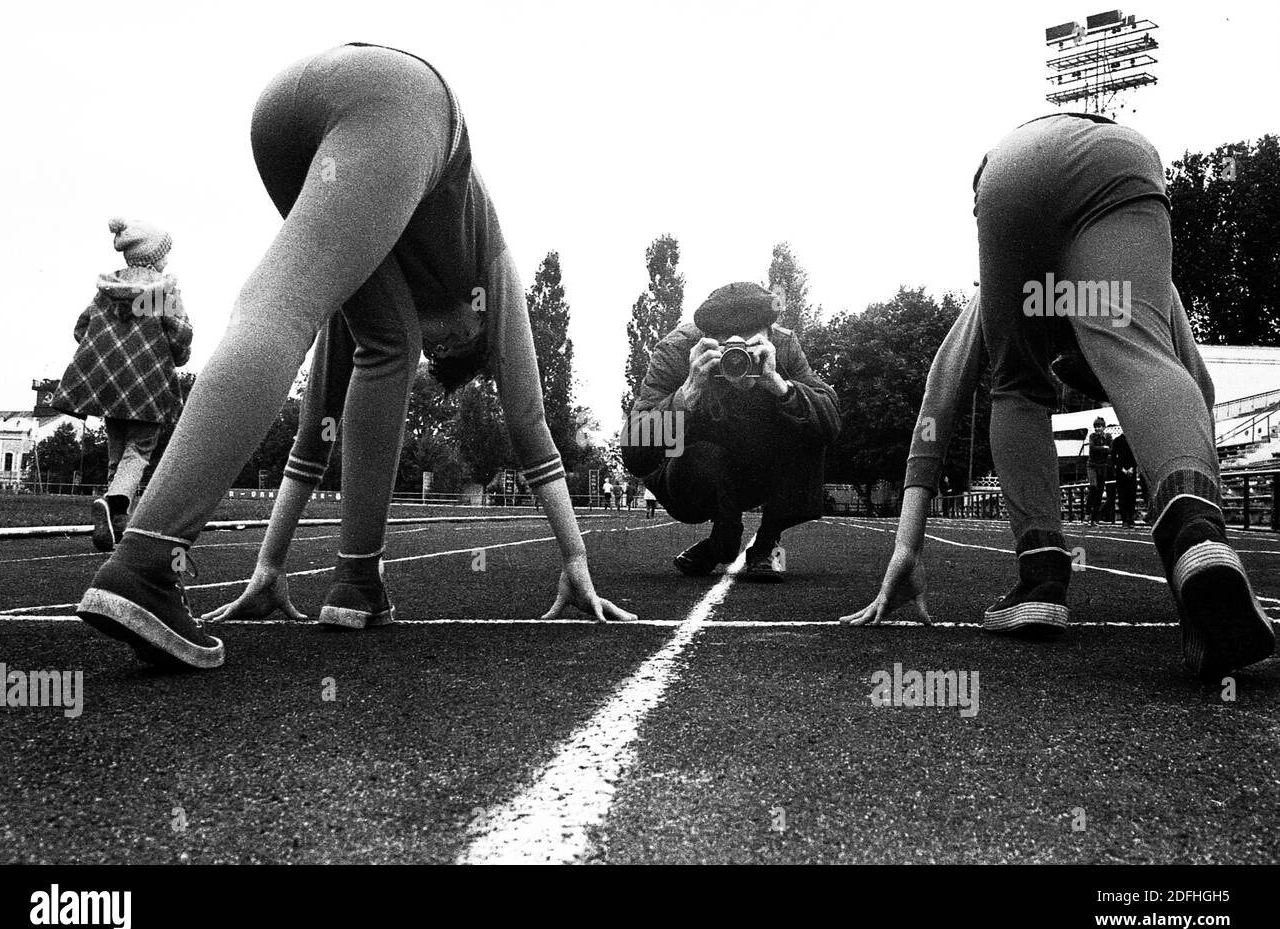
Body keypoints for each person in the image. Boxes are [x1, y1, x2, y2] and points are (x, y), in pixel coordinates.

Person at [77, 43, 632, 669]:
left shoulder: (380, 256)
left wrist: (269, 566)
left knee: (386, 344)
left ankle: (357, 583)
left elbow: (315, 431)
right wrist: (577, 561)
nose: (437, 342)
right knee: (282, 307)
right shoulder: (495, 271)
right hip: (404, 100)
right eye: (449, 341)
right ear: (477, 321)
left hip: (289, 111)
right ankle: (147, 564)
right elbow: (530, 426)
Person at [846, 113, 1273, 680]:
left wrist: (908, 545)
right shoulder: (1141, 287)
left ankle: (1042, 578)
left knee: (1018, 387)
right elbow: (1197, 386)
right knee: (1143, 356)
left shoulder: (1006, 301)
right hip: (1122, 157)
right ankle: (1195, 534)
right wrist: (1194, 494)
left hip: (1014, 167)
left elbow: (939, 400)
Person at [622, 281, 841, 583]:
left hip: (755, 467)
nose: (738, 356)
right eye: (727, 345)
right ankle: (723, 537)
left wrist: (780, 387)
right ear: (706, 339)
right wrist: (689, 391)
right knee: (700, 456)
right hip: (688, 476)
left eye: (750, 344)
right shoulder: (676, 350)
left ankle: (767, 544)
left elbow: (831, 423)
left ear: (769, 332)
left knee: (810, 427)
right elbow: (635, 453)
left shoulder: (785, 347)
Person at [52, 218, 192, 552]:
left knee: (118, 450)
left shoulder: (106, 292)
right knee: (140, 450)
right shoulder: (163, 292)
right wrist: (178, 356)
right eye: (165, 254)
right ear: (153, 257)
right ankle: (116, 506)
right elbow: (181, 334)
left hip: (109, 386)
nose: (167, 260)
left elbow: (81, 328)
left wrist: (106, 353)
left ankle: (115, 523)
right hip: (148, 384)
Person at [1084, 416, 1113, 525]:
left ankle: (1094, 518)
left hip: (1103, 466)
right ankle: (1087, 513)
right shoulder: (1092, 436)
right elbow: (1092, 448)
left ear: (1104, 427)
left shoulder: (1108, 436)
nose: (1097, 429)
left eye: (1099, 426)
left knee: (1100, 492)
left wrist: (1103, 449)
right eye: (1096, 427)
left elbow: (1111, 450)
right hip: (1092, 465)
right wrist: (1104, 448)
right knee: (1093, 487)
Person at [1111, 431, 1139, 528]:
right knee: (1122, 496)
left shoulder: (1133, 440)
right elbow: (1113, 457)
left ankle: (1130, 518)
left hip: (1131, 471)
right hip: (1121, 472)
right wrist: (1122, 469)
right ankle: (1125, 520)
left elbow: (1137, 456)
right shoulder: (1117, 440)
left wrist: (1132, 468)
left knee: (1132, 495)